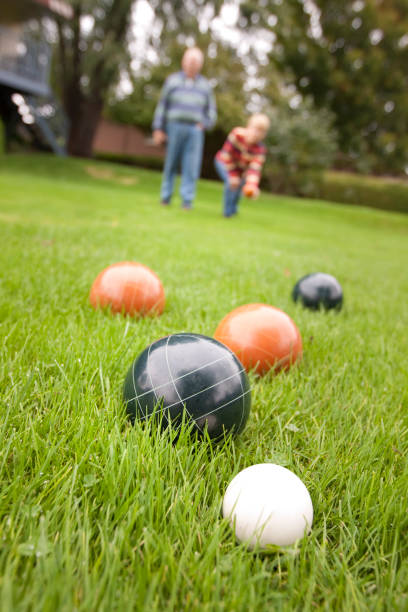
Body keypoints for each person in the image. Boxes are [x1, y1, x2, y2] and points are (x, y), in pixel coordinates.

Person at [152, 47, 217, 210]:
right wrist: (158, 128)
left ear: (200, 65)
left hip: (195, 129)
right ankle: (165, 197)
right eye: (189, 61)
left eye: (195, 62)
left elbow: (211, 110)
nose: (192, 64)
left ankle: (187, 201)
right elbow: (162, 106)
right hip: (174, 126)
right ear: (183, 62)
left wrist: (205, 124)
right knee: (171, 164)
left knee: (191, 166)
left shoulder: (205, 85)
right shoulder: (172, 81)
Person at [214, 114, 270, 218]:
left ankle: (233, 209)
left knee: (240, 184)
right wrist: (232, 176)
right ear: (248, 126)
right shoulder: (237, 134)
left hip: (240, 169)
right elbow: (227, 155)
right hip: (223, 162)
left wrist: (252, 186)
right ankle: (227, 213)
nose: (257, 134)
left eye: (262, 131)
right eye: (256, 129)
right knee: (231, 183)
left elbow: (254, 169)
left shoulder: (260, 149)